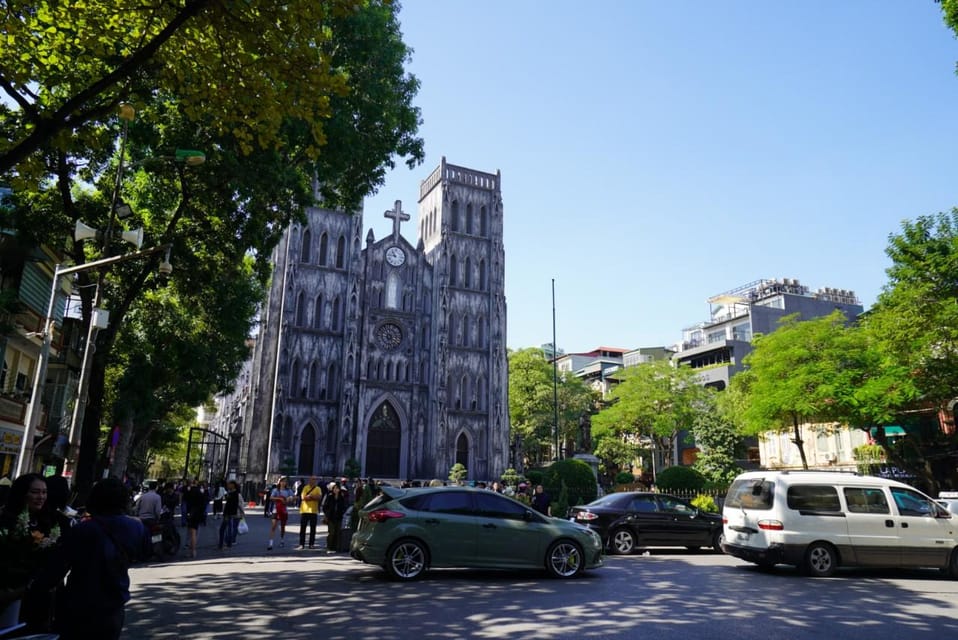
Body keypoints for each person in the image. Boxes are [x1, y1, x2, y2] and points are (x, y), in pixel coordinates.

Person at [28, 477, 149, 640]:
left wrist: (36, 589)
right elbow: (144, 552)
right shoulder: (137, 527)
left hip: (80, 608)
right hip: (114, 607)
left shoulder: (83, 530)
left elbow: (57, 569)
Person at [0, 473, 58, 633]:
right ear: (22, 493)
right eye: (35, 492)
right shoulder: (6, 519)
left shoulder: (51, 521)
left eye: (44, 492)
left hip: (37, 599)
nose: (41, 497)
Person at [266, 477, 293, 550]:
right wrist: (279, 498)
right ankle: (270, 543)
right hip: (276, 509)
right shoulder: (276, 490)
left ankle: (282, 539)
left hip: (284, 509)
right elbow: (271, 498)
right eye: (282, 481)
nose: (283, 483)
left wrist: (290, 498)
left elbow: (294, 497)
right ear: (279, 482)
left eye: (285, 482)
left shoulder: (288, 490)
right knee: (274, 526)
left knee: (282, 526)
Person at [183, 480, 207, 558]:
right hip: (198, 514)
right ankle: (193, 550)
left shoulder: (190, 492)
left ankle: (192, 550)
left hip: (191, 513)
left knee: (191, 533)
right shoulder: (200, 493)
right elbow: (204, 504)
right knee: (195, 533)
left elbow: (185, 500)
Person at [322, 482, 347, 553]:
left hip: (339, 517)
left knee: (337, 532)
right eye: (334, 488)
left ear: (339, 489)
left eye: (337, 488)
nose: (336, 490)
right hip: (331, 517)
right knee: (331, 532)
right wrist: (327, 514)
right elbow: (325, 506)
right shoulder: (330, 496)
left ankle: (335, 547)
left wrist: (342, 512)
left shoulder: (341, 497)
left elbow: (344, 506)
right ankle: (329, 547)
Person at [217, 480, 243, 550]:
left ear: (233, 485)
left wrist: (242, 514)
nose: (228, 486)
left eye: (229, 484)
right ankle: (227, 543)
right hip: (229, 513)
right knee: (229, 528)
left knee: (226, 529)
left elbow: (238, 505)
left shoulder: (235, 494)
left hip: (229, 513)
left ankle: (223, 544)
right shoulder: (231, 493)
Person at [298, 476, 321, 550]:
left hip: (313, 511)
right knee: (303, 528)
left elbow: (319, 497)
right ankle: (301, 544)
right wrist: (313, 497)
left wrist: (311, 496)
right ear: (309, 480)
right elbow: (303, 498)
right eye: (312, 480)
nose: (313, 481)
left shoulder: (318, 488)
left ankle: (311, 544)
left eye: (314, 480)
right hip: (305, 510)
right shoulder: (305, 488)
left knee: (313, 529)